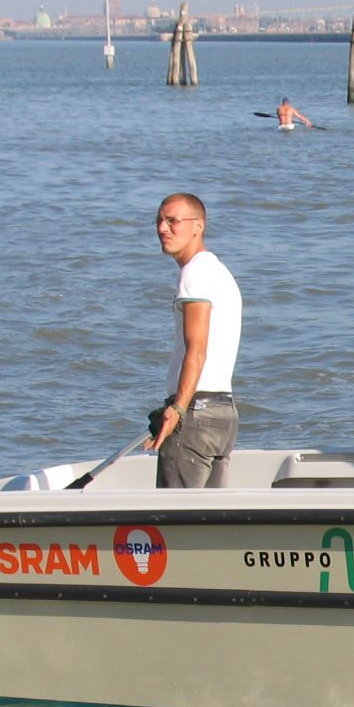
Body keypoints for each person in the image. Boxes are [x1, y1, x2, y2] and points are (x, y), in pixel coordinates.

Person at [145, 192, 242, 488]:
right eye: (159, 221)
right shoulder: (219, 272)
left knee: (174, 513)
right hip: (223, 413)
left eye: (172, 221)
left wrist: (177, 409)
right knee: (211, 514)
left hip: (195, 413)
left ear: (198, 225)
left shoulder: (195, 274)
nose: (162, 228)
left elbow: (197, 351)